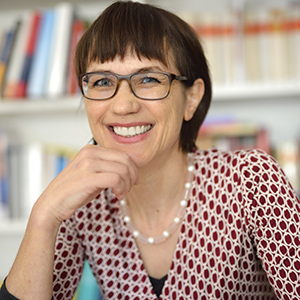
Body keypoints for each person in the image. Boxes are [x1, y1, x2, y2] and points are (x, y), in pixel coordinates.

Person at [1, 1, 300, 299]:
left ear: (191, 99)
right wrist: (43, 215)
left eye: (148, 79)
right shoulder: (84, 200)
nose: (123, 105)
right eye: (103, 81)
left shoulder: (251, 179)